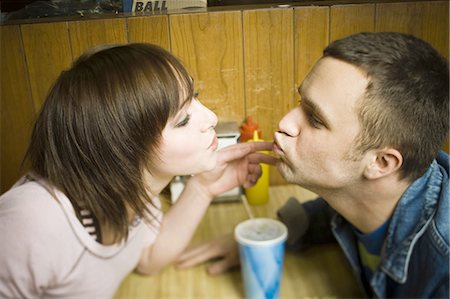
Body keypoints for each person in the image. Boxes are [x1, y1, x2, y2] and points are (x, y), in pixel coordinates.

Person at [176, 32, 449, 298]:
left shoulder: (442, 267)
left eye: (315, 119)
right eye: (300, 102)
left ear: (381, 162)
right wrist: (273, 234)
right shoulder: (366, 196)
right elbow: (330, 212)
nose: (285, 123)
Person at [0, 43, 276, 298]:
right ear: (121, 148)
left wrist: (204, 188)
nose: (211, 118)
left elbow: (148, 259)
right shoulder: (34, 220)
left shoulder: (135, 192)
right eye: (183, 120)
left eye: (195, 97)